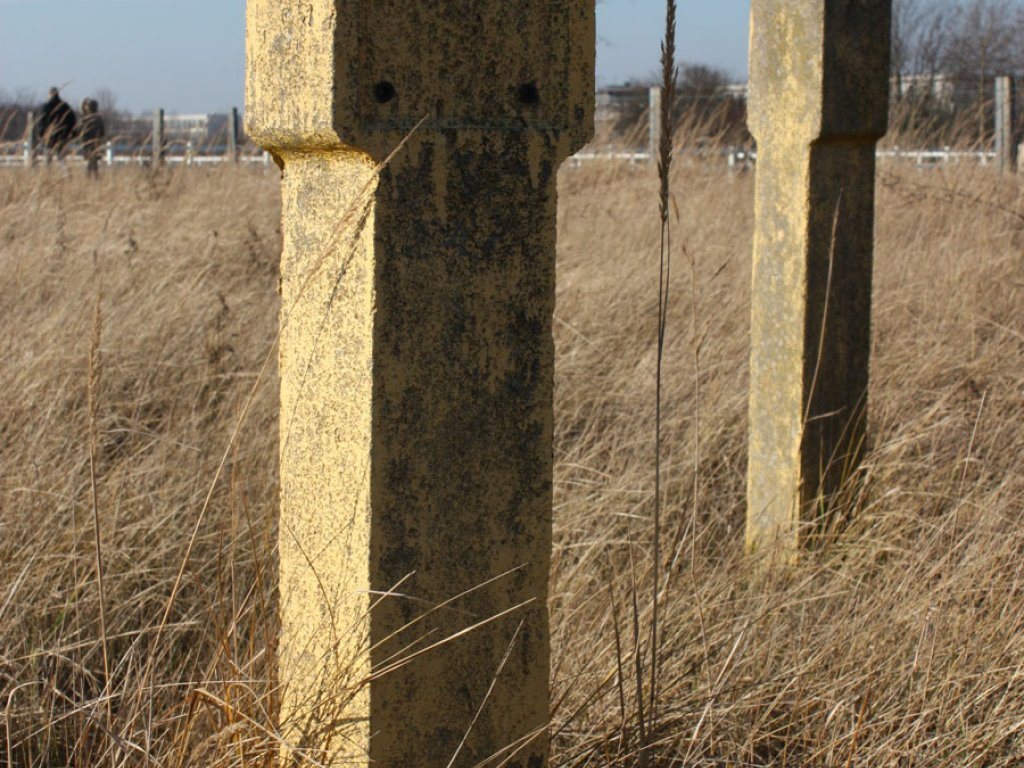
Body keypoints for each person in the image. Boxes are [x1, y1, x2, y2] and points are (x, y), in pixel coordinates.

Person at [37, 87, 76, 163]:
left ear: (50, 94)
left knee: (48, 157)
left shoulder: (46, 107)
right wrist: (70, 134)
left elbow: (41, 122)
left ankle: (47, 173)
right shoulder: (65, 107)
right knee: (60, 157)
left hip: (49, 136)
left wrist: (41, 134)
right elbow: (72, 121)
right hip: (62, 136)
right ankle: (66, 173)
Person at [77, 98, 106, 178]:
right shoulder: (98, 119)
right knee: (93, 162)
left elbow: (79, 131)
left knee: (91, 162)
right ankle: (94, 177)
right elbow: (103, 133)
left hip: (87, 143)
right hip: (96, 143)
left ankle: (90, 178)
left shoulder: (85, 119)